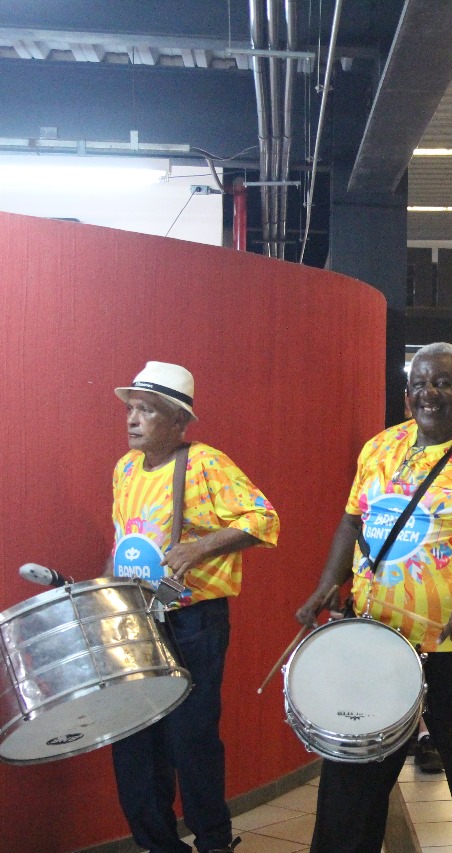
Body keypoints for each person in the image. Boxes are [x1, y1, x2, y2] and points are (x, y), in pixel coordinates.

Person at [295, 343, 452, 853]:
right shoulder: (379, 449)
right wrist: (330, 580)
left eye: (442, 383)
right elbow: (352, 519)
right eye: (418, 383)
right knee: (353, 774)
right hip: (377, 641)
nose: (427, 393)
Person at [108, 361, 279, 853]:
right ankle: (158, 843)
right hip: (136, 620)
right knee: (135, 739)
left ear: (179, 422)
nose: (132, 419)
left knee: (191, 738)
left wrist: (200, 548)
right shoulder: (124, 468)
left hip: (193, 622)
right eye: (131, 409)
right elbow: (126, 538)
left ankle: (214, 841)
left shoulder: (205, 463)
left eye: (147, 410)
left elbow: (264, 520)